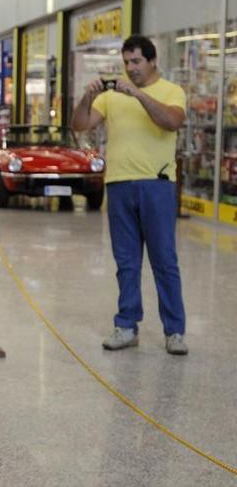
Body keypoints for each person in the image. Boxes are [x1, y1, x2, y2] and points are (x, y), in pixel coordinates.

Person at [71, 35, 189, 355]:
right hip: (119, 184)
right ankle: (126, 325)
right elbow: (79, 124)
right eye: (126, 62)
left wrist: (137, 95)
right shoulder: (112, 96)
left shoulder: (171, 92)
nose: (130, 68)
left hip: (157, 184)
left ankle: (174, 331)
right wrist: (87, 97)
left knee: (164, 260)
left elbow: (172, 122)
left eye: (136, 61)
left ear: (152, 61)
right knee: (126, 262)